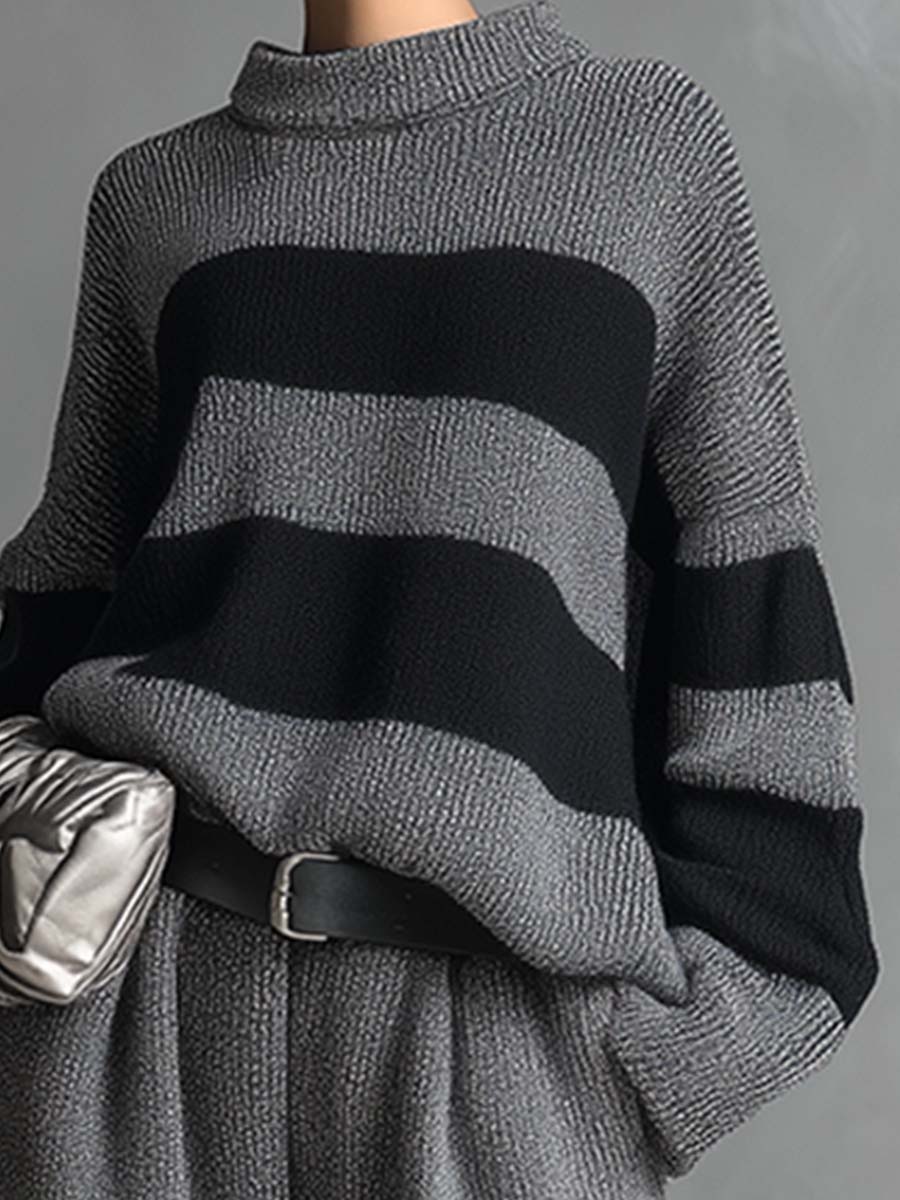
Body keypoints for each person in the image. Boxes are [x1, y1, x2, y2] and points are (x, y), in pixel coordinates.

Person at [0, 2, 879, 1198]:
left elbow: (753, 605)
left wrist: (638, 1083)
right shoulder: (156, 199)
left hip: (487, 1062)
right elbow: (58, 605)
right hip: (135, 1045)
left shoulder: (642, 150)